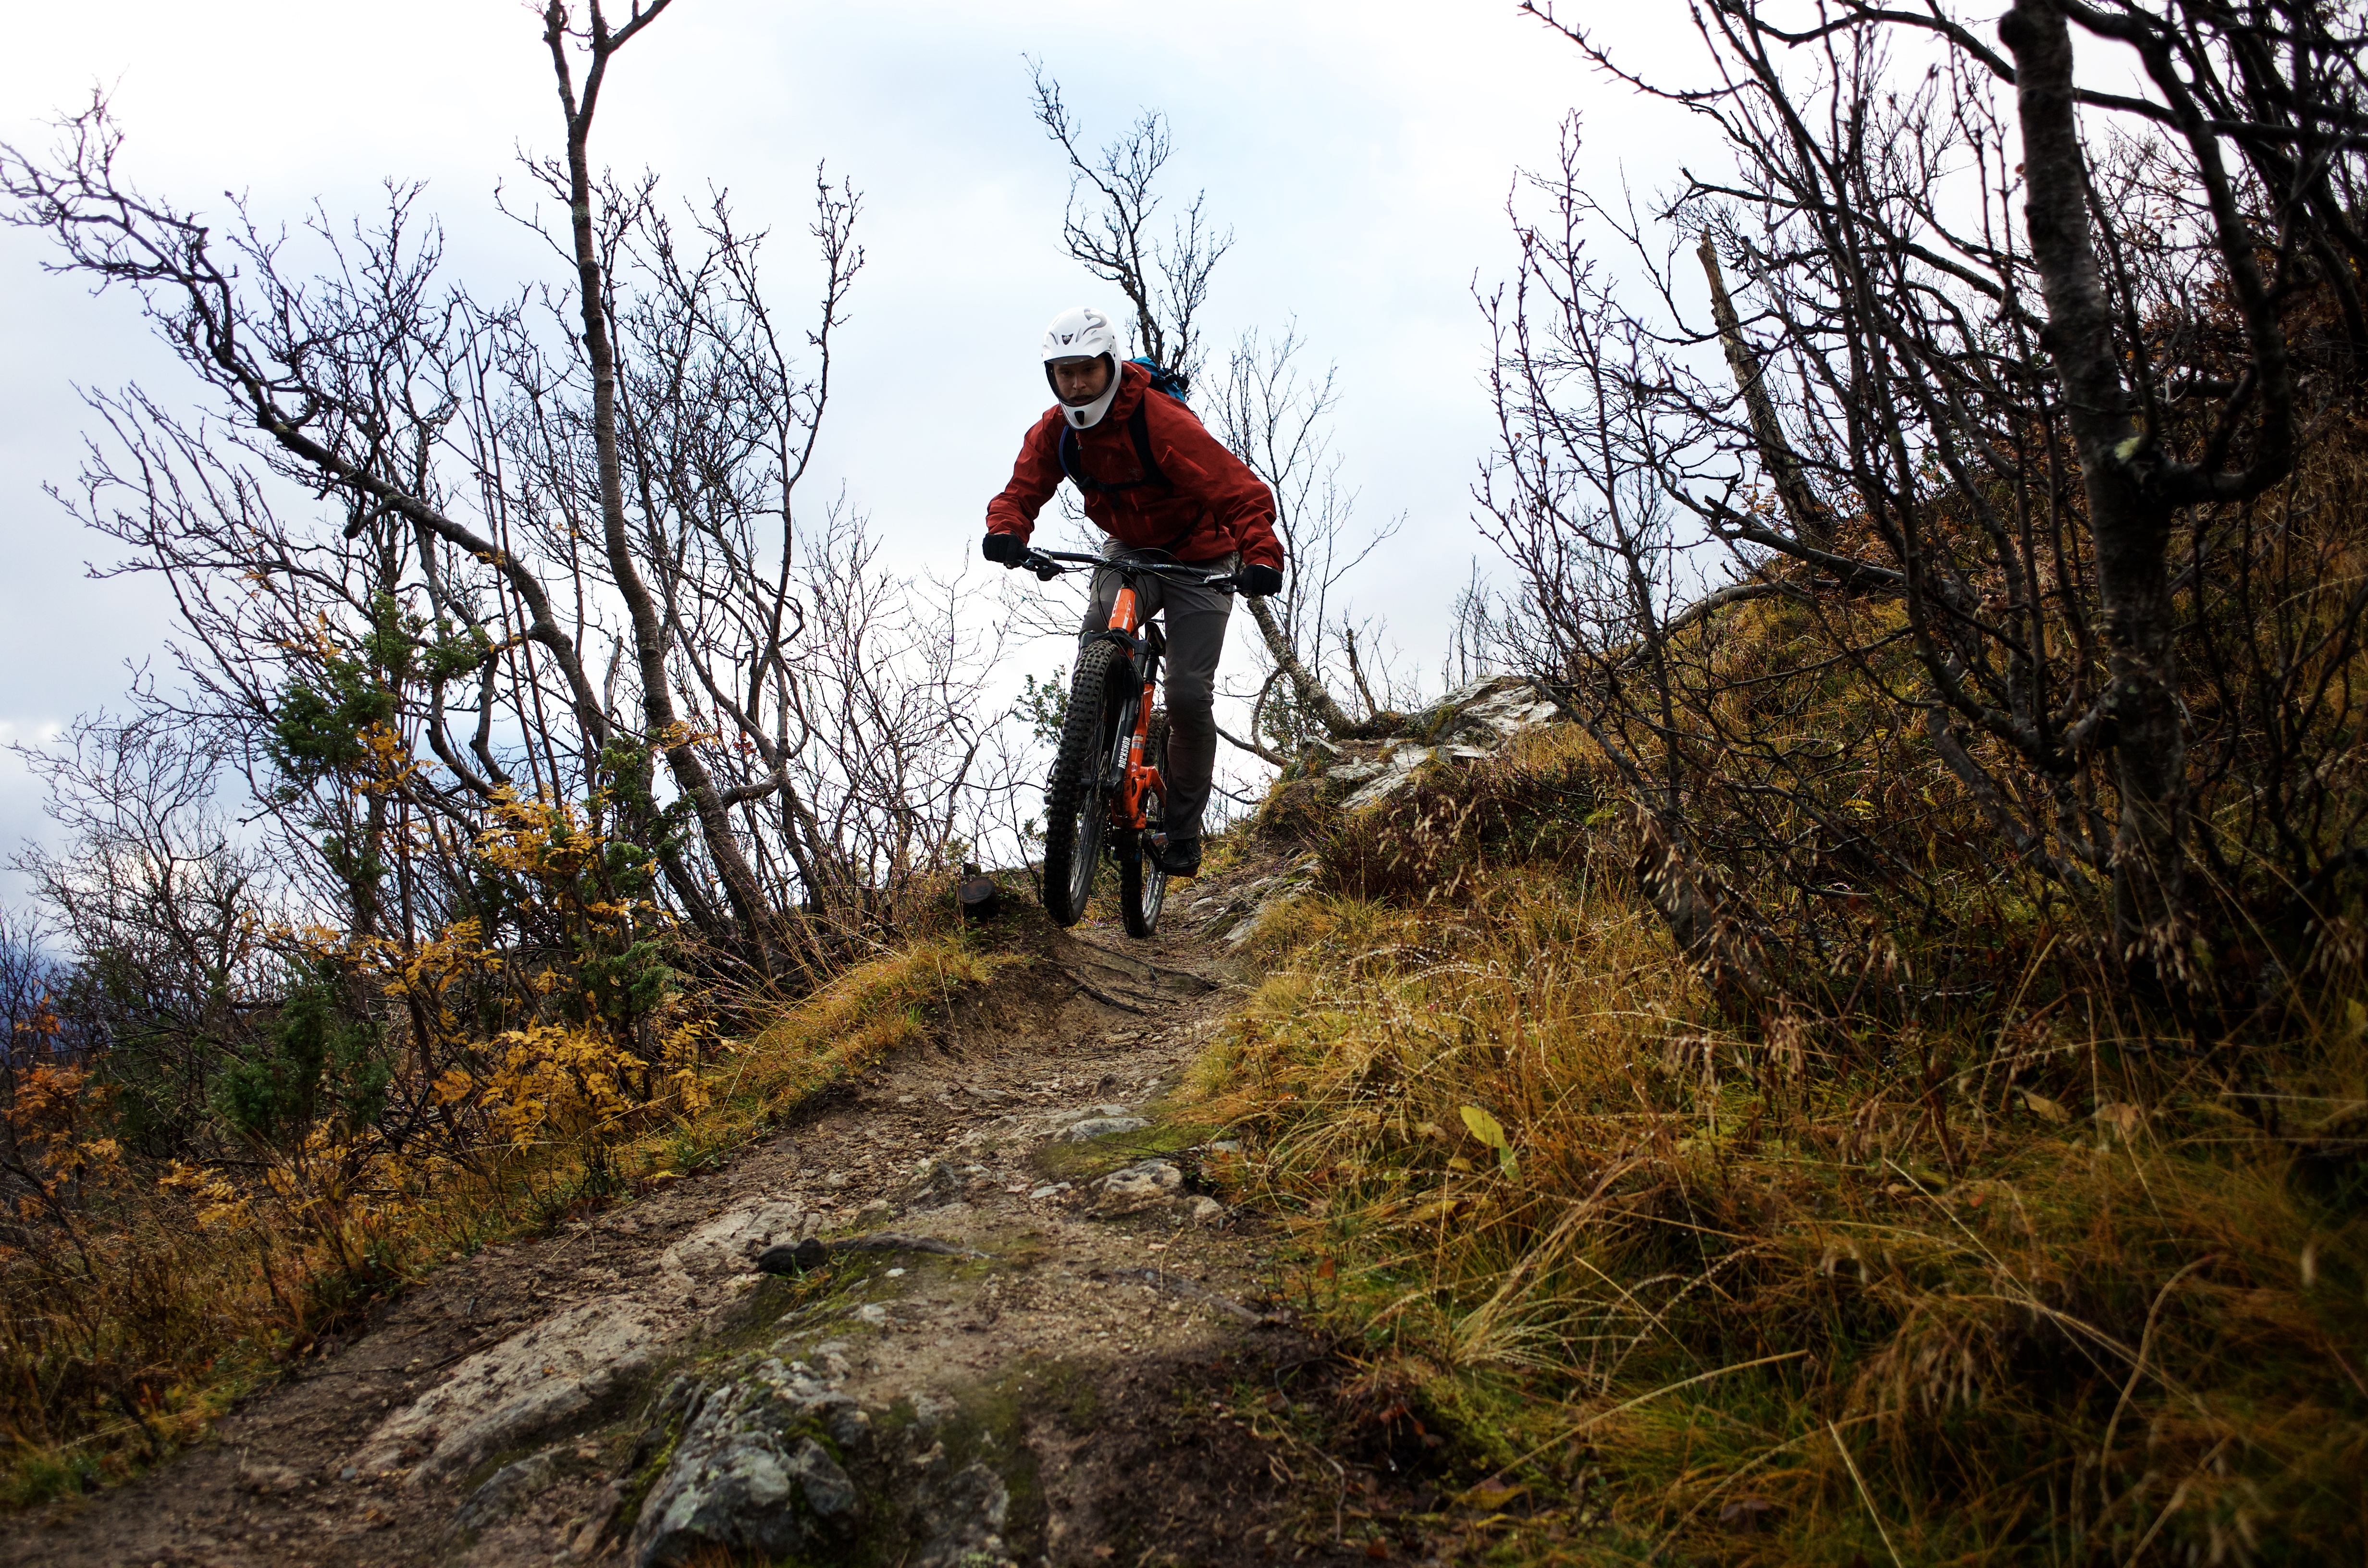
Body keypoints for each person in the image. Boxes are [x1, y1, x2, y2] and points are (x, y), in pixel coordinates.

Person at [983, 306, 1285, 878]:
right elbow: (1020, 491)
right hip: (1131, 551)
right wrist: (1006, 532)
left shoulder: (1158, 420)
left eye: (1085, 371)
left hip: (1202, 555)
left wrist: (1261, 558)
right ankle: (1089, 762)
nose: (1074, 384)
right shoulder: (1057, 430)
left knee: (1189, 694)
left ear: (1110, 366)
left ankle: (1182, 830)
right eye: (1062, 373)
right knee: (1100, 637)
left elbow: (1239, 490)